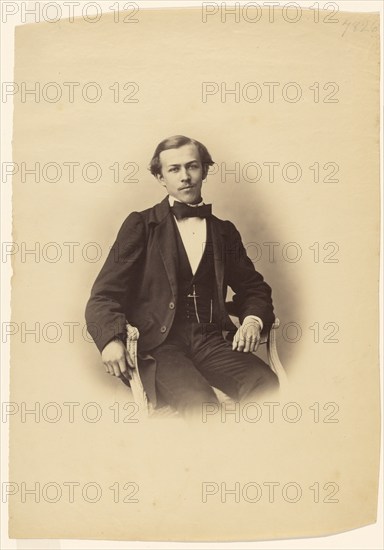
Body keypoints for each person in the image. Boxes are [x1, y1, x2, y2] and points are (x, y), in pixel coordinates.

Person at [85, 135, 278, 418]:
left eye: (192, 167)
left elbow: (254, 288)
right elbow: (103, 295)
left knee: (266, 386)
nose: (185, 177)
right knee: (201, 407)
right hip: (161, 346)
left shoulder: (224, 232)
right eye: (174, 169)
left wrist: (251, 320)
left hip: (210, 341)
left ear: (205, 171)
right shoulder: (141, 224)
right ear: (160, 177)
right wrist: (110, 340)